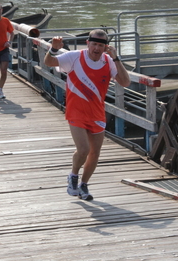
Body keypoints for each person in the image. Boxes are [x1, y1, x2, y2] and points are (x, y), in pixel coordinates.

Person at [44, 29, 131, 201]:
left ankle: (84, 185)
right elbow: (49, 62)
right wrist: (53, 49)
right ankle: (73, 175)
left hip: (97, 113)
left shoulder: (108, 61)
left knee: (95, 153)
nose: (97, 49)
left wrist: (116, 58)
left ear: (105, 47)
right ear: (88, 44)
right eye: (94, 44)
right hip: (76, 112)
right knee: (83, 149)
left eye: (101, 45)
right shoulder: (74, 57)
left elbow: (125, 82)